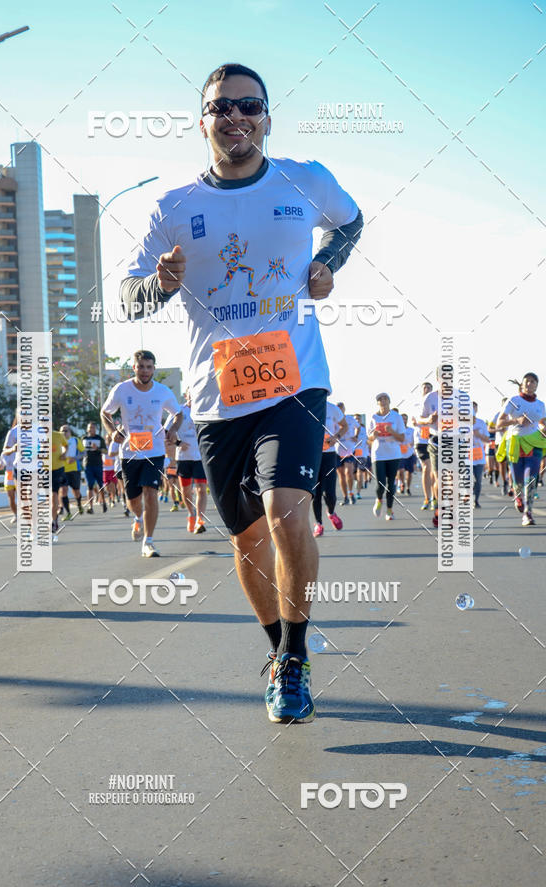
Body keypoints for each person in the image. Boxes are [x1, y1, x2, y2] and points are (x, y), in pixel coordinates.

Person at [119, 62, 363, 722]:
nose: (235, 117)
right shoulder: (171, 206)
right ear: (203, 122)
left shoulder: (303, 179)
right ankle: (275, 646)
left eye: (247, 105)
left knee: (288, 512)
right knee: (248, 538)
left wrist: (326, 265)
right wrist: (161, 285)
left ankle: (295, 658)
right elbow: (128, 298)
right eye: (220, 107)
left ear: (265, 117)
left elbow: (351, 222)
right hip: (216, 394)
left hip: (295, 378)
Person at [101, 349, 182, 557]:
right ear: (134, 368)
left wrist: (172, 430)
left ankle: (149, 541)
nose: (145, 371)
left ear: (154, 368)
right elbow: (105, 412)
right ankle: (137, 518)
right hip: (129, 453)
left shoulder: (162, 391)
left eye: (149, 367)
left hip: (154, 451)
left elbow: (178, 413)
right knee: (134, 499)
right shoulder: (122, 389)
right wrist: (112, 432)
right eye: (141, 367)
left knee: (150, 492)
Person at [496, 373, 546, 526]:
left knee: (531, 478)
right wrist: (516, 420)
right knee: (518, 480)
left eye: (533, 381)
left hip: (534, 443)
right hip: (515, 442)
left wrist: (544, 429)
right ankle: (518, 496)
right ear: (522, 385)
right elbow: (500, 423)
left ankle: (528, 513)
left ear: (536, 385)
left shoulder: (540, 404)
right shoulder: (514, 401)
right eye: (527, 381)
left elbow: (543, 422)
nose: (530, 384)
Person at [171, 388, 208, 533]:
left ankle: (200, 519)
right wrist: (178, 443)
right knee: (186, 492)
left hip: (200, 457)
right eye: (190, 394)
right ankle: (191, 514)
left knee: (201, 489)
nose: (193, 396)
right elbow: (167, 431)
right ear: (186, 395)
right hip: (183, 458)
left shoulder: (204, 409)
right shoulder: (179, 411)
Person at [367, 393, 405, 521]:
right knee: (380, 483)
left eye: (385, 399)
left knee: (391, 484)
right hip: (378, 454)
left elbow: (402, 438)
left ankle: (389, 510)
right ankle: (379, 500)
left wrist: (391, 431)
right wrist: (374, 435)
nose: (382, 401)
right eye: (379, 399)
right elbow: (369, 439)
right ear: (377, 403)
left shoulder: (397, 417)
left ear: (389, 401)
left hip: (393, 454)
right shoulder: (373, 417)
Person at [312, 400, 347, 536]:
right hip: (312, 455)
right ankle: (318, 524)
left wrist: (336, 437)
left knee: (330, 494)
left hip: (329, 455)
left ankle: (331, 512)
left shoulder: (332, 408)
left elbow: (344, 426)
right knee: (315, 493)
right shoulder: (307, 405)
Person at [411, 381, 433, 509]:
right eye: (425, 387)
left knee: (434, 471)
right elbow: (414, 421)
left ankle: (434, 497)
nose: (427, 389)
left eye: (429, 388)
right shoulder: (416, 404)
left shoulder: (436, 403)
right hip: (421, 440)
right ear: (421, 390)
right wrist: (426, 421)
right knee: (426, 467)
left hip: (434, 439)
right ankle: (427, 498)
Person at [335, 404, 360, 505]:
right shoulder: (333, 420)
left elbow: (358, 427)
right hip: (337, 450)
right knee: (341, 475)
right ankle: (345, 496)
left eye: (342, 409)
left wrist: (356, 436)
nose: (340, 411)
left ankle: (351, 493)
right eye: (338, 410)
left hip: (349, 448)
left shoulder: (350, 419)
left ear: (344, 410)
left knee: (348, 473)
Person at [82, 422, 107, 514]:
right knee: (90, 485)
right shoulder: (84, 439)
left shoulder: (99, 439)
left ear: (95, 429)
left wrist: (97, 449)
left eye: (92, 427)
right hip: (87, 464)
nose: (91, 429)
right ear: (87, 429)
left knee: (100, 485)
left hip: (98, 464)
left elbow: (105, 451)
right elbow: (80, 450)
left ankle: (103, 502)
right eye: (89, 427)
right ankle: (90, 507)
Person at [59, 425, 84, 519]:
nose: (64, 433)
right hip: (62, 470)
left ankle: (79, 504)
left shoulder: (75, 440)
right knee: (63, 491)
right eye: (62, 431)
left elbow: (83, 452)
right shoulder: (58, 442)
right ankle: (68, 513)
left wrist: (75, 458)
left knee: (76, 491)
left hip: (74, 469)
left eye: (66, 431)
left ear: (70, 432)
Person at [0, 420, 17, 524]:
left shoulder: (19, 451)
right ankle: (15, 514)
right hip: (9, 475)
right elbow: (1, 465)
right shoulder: (4, 453)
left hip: (19, 474)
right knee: (11, 497)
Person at [472, 403, 491, 508]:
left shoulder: (481, 423)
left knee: (478, 480)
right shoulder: (461, 423)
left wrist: (478, 435)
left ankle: (476, 500)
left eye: (474, 408)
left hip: (479, 456)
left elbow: (488, 440)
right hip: (465, 456)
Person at [51, 428, 67, 534]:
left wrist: (64, 454)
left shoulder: (58, 435)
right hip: (42, 470)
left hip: (57, 469)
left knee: (54, 495)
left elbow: (66, 446)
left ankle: (54, 520)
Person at [396, 414, 415, 495]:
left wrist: (411, 444)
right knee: (401, 471)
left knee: (409, 472)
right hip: (400, 454)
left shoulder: (411, 430)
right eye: (402, 419)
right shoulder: (397, 430)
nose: (404, 420)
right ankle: (402, 484)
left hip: (410, 453)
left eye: (405, 419)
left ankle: (408, 488)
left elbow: (414, 441)